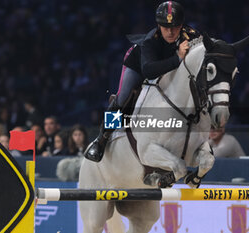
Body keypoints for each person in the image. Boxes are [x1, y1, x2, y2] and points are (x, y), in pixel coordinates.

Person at [84, 1, 201, 162]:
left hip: (169, 66)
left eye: (175, 26)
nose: (170, 31)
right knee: (123, 96)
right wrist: (177, 58)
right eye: (165, 27)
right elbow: (149, 71)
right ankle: (101, 139)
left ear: (182, 25)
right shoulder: (150, 41)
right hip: (139, 64)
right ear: (158, 25)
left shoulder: (192, 35)